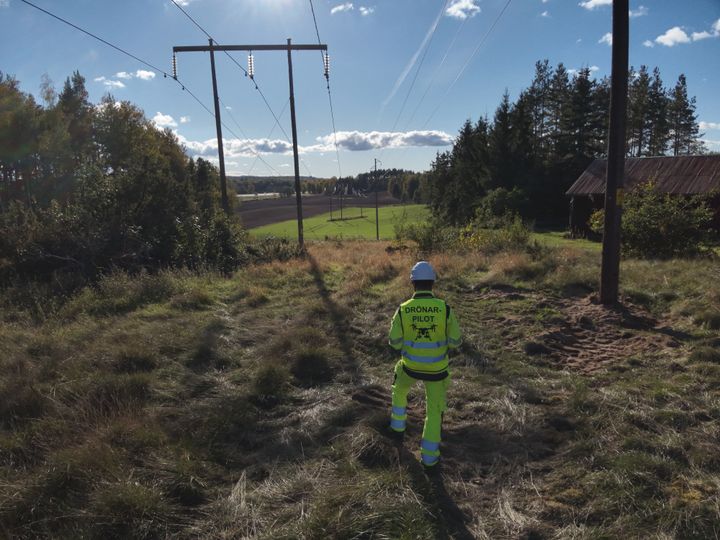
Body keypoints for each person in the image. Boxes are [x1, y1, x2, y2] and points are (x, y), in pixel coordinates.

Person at [388, 260, 462, 469]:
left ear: (412, 284)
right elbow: (456, 341)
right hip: (437, 372)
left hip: (409, 367)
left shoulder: (403, 309)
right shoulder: (444, 309)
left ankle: (397, 428)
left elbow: (394, 343)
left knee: (399, 388)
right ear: (433, 283)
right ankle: (429, 459)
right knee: (434, 412)